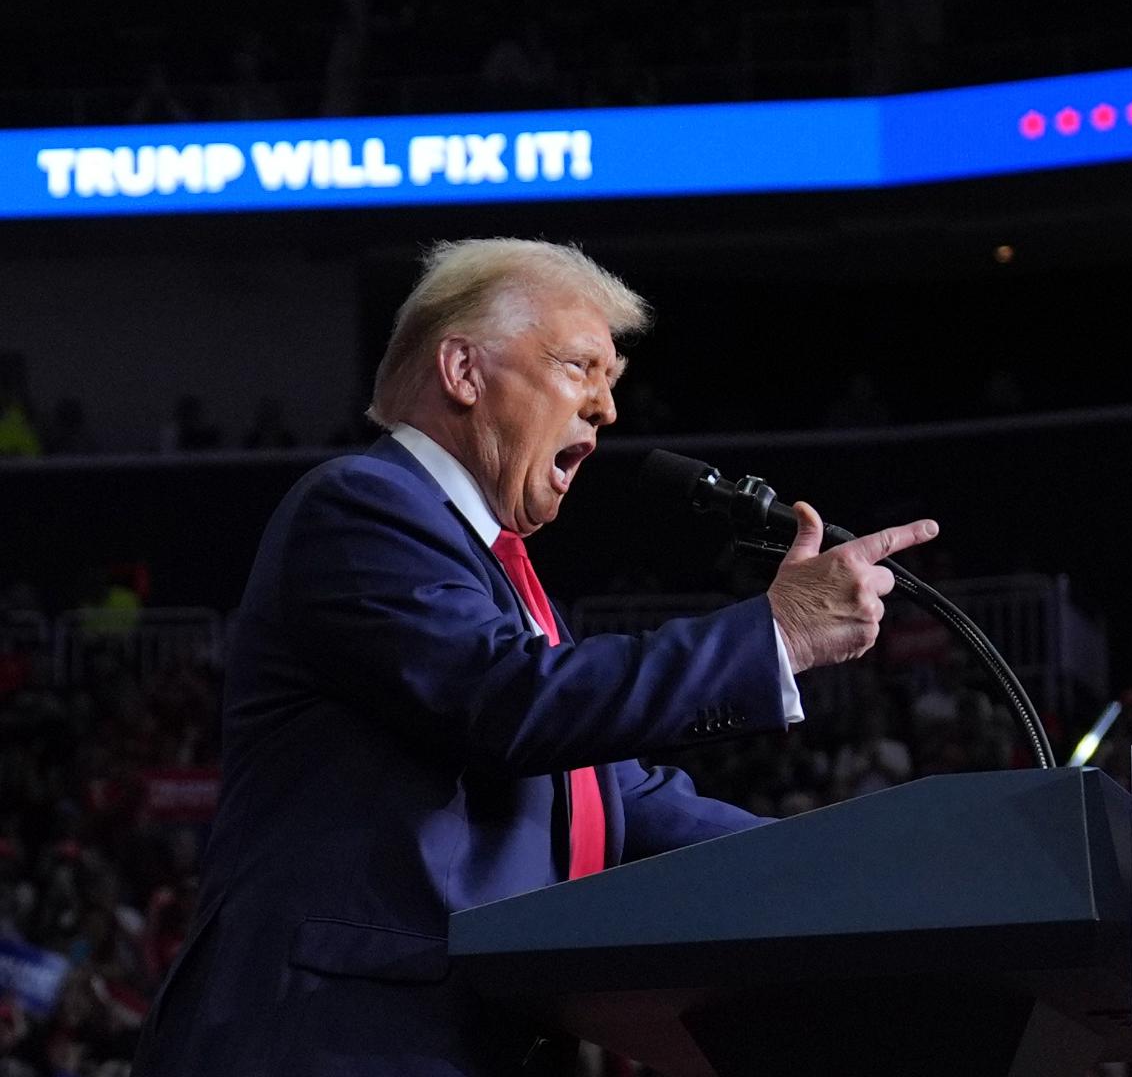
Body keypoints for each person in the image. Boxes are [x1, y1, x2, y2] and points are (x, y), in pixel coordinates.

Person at [130, 239, 939, 1076]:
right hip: (327, 1039)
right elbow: (512, 702)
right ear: (464, 372)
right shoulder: (360, 506)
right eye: (582, 367)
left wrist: (846, 864)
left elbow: (608, 798)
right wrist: (776, 634)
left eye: (613, 383)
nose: (607, 409)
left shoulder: (490, 568)